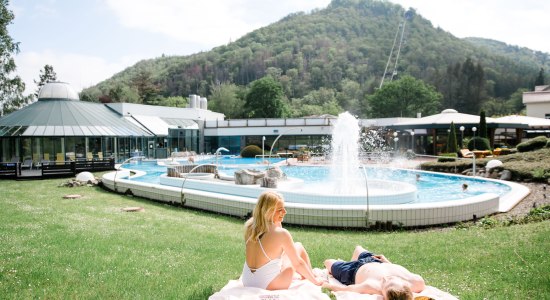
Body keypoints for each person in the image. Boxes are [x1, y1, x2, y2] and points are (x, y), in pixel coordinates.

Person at [242, 191, 324, 290]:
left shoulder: (250, 226)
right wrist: (316, 282)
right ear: (269, 212)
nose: (285, 212)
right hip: (267, 285)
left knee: (297, 246)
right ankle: (312, 277)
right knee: (290, 268)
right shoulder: (281, 233)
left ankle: (307, 275)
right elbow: (297, 263)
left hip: (247, 280)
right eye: (280, 209)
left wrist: (277, 224)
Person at [323, 245, 425, 299]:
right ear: (405, 285)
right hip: (376, 261)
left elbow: (347, 289)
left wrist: (327, 285)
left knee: (328, 262)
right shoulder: (417, 282)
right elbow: (394, 269)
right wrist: (387, 262)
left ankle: (347, 263)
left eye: (384, 283)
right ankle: (352, 260)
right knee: (358, 248)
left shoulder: (372, 286)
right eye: (391, 278)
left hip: (352, 270)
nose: (385, 278)